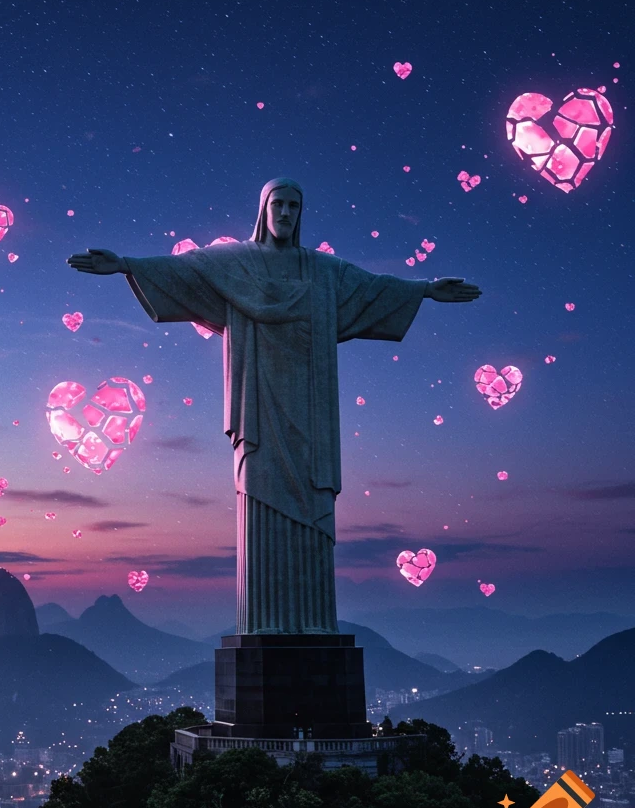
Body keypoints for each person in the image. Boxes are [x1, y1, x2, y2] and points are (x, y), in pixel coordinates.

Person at [67, 178, 481, 634]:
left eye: (294, 206)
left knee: (312, 502)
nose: (286, 213)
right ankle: (264, 626)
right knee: (262, 499)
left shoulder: (323, 271)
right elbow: (183, 271)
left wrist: (423, 289)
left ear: (301, 214)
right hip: (258, 410)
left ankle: (314, 625)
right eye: (278, 204)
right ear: (263, 210)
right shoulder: (235, 263)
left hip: (311, 410)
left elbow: (372, 288)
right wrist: (125, 265)